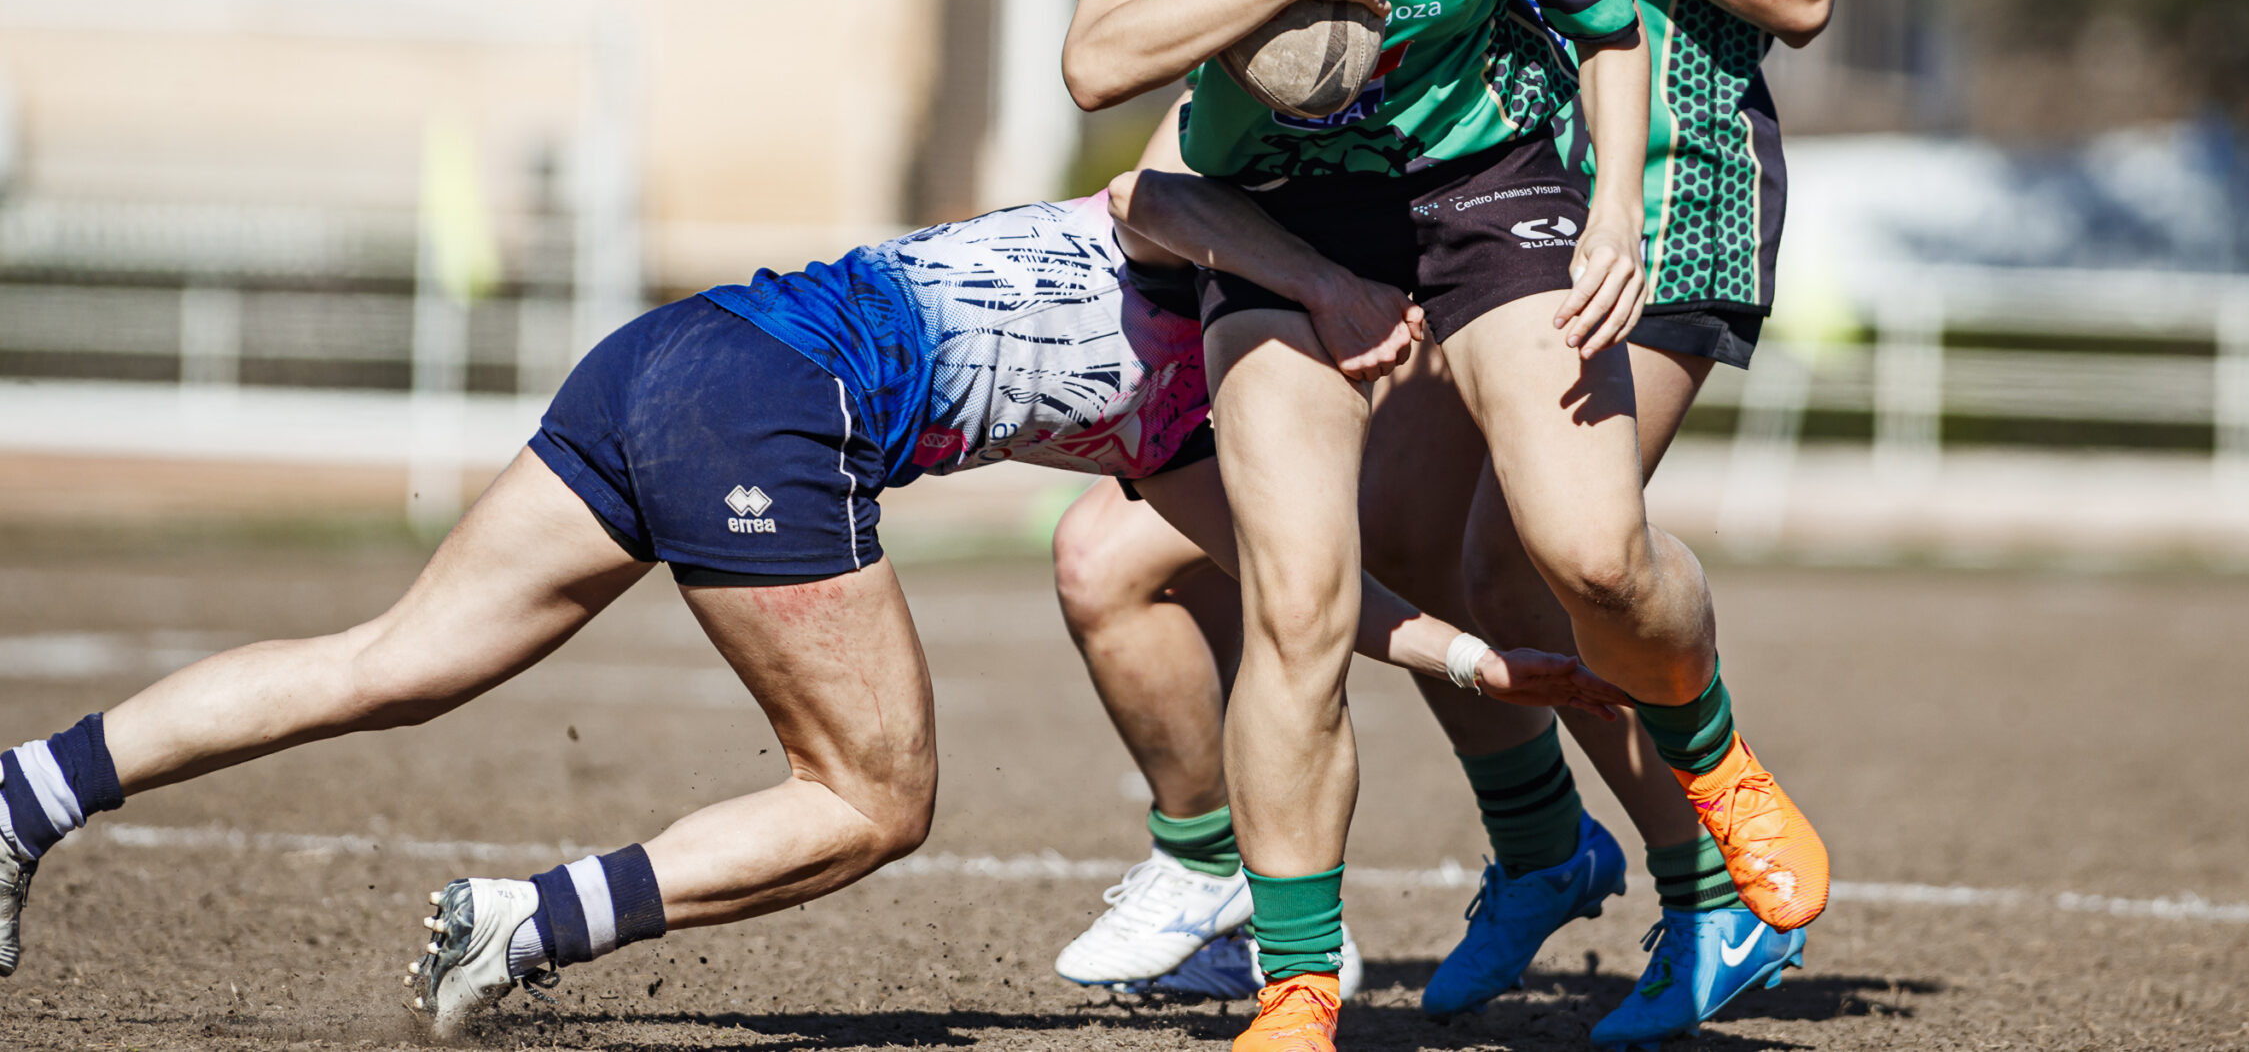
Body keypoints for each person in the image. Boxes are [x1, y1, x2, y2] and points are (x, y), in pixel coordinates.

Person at [0, 176, 1615, 1040]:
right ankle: (525, 924)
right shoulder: (1228, 261)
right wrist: (1333, 288)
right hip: (777, 405)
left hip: (675, 352)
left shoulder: (1212, 434)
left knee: (396, 663)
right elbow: (1148, 195)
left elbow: (1305, 589)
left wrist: (1471, 651)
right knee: (875, 796)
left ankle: (28, 796)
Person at [1064, 0, 1823, 1052]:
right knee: (1299, 605)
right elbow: (1095, 64)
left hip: (1496, 201)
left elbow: (1607, 27)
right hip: (1289, 223)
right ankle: (1294, 986)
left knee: (1590, 550)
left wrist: (1615, 211)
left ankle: (1716, 755)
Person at [1397, 0, 1859, 1043]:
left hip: (1674, 194)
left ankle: (1718, 837)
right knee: (1449, 575)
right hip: (1498, 196)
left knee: (1575, 548)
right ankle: (1560, 861)